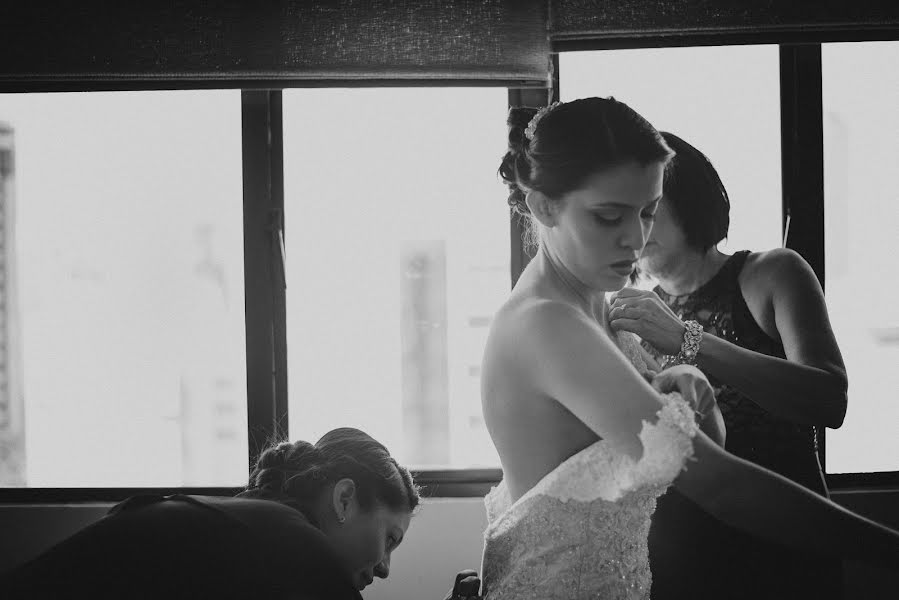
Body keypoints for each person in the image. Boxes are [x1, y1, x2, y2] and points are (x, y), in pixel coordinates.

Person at [479, 97, 899, 600]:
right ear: (543, 206)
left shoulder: (599, 304)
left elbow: (702, 445)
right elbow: (717, 482)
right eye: (609, 217)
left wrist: (689, 384)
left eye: (648, 212)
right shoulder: (548, 323)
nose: (635, 239)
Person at [609, 131, 846, 598]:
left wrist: (685, 338)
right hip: (685, 553)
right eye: (620, 214)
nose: (635, 232)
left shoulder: (770, 273)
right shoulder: (632, 316)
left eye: (649, 211)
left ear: (691, 203)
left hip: (783, 541)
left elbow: (828, 401)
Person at [0, 427, 419, 599]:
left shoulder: (243, 527)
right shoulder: (299, 549)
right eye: (389, 540)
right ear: (344, 500)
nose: (384, 569)